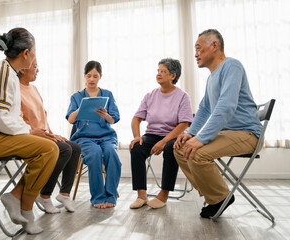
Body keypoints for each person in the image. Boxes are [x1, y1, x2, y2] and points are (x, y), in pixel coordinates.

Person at [0, 28, 59, 234]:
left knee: (47, 150)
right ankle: (26, 210)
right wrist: (29, 132)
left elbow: (6, 117)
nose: (35, 58)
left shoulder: (9, 73)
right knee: (49, 150)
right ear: (26, 53)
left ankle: (15, 197)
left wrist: (28, 132)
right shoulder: (3, 73)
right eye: (35, 52)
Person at [174, 29, 262, 219]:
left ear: (214, 46)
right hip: (229, 133)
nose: (195, 53)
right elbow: (205, 108)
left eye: (198, 48)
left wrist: (201, 138)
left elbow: (226, 106)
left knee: (196, 152)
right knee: (180, 149)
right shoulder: (212, 77)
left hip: (248, 135)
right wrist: (191, 133)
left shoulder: (232, 66)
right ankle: (213, 195)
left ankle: (221, 198)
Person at [18, 58, 81, 214]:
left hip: (44, 135)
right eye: (35, 67)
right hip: (30, 138)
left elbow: (42, 117)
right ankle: (45, 194)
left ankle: (64, 194)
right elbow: (17, 121)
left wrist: (52, 134)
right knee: (65, 149)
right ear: (22, 69)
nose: (38, 70)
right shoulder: (14, 90)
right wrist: (37, 134)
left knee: (74, 147)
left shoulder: (33, 89)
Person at [129, 58, 193, 209]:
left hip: (173, 135)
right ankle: (141, 195)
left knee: (171, 148)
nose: (158, 74)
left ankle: (163, 194)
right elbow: (136, 119)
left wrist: (164, 142)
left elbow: (184, 123)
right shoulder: (150, 95)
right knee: (137, 148)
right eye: (158, 70)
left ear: (173, 76)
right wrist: (137, 137)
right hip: (152, 134)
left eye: (162, 71)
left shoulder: (183, 96)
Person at [66, 60, 121, 209]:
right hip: (85, 138)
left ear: (100, 77)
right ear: (84, 76)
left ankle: (110, 196)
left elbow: (114, 119)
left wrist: (106, 115)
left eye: (95, 76)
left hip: (106, 137)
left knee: (112, 153)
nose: (91, 79)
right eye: (89, 76)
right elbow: (71, 119)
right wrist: (82, 108)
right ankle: (98, 197)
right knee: (95, 153)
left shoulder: (107, 95)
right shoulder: (76, 97)